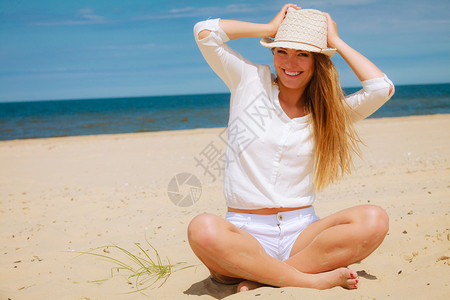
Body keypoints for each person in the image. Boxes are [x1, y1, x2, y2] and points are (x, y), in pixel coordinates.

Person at [188, 4, 394, 292]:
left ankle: (263, 278)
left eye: (303, 54)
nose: (290, 62)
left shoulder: (330, 112)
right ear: (272, 52)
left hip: (302, 233)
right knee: (202, 228)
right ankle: (308, 280)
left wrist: (334, 42)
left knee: (374, 219)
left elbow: (381, 89)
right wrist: (268, 29)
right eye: (282, 51)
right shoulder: (249, 81)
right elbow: (204, 32)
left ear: (317, 60)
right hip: (246, 232)